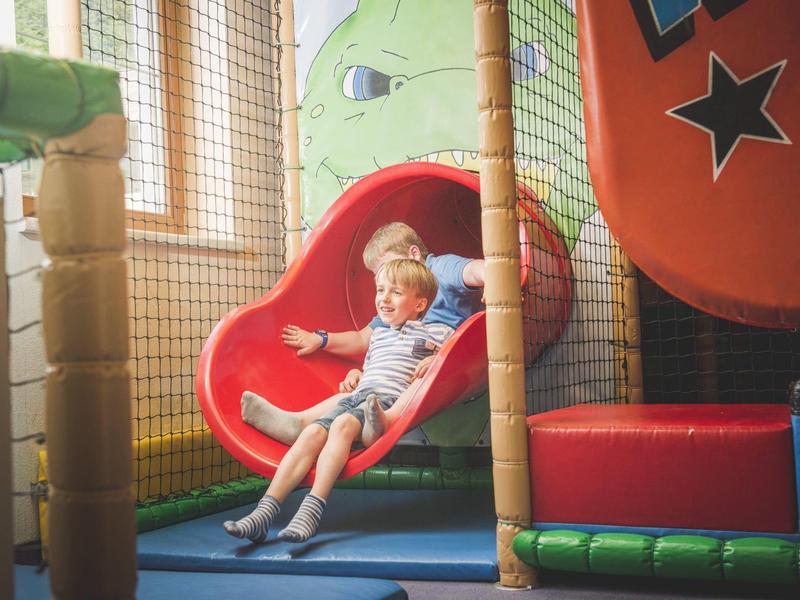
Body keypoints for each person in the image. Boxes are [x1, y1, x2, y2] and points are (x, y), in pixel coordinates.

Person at [224, 259, 453, 543]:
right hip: (360, 396)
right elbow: (372, 369)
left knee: (344, 423)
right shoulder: (379, 335)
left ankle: (312, 509)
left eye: (395, 292)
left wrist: (435, 359)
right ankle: (263, 513)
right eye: (380, 290)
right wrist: (356, 373)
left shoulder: (438, 332)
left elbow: (453, 359)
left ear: (419, 304)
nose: (384, 298)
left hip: (391, 401)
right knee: (311, 433)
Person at [240, 222, 486, 446]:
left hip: (446, 361)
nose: (383, 282)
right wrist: (322, 339)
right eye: (378, 277)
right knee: (361, 386)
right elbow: (362, 338)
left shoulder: (440, 268)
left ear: (414, 254)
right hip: (404, 366)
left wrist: (494, 281)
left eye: (387, 267)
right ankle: (301, 423)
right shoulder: (398, 301)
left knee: (408, 379)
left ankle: (382, 419)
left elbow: (481, 269)